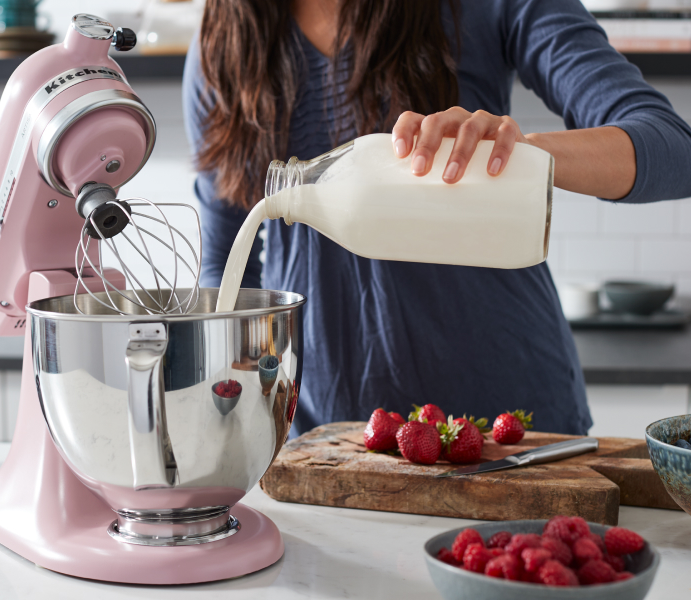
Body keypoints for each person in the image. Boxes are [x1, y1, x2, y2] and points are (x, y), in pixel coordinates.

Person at [183, 0, 691, 437]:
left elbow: (672, 150)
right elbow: (227, 269)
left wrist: (519, 153)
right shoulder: (226, 40)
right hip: (326, 430)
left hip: (507, 419)